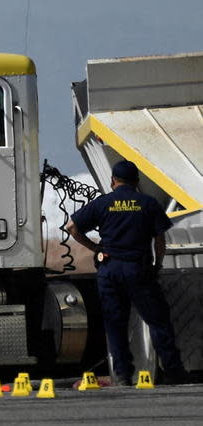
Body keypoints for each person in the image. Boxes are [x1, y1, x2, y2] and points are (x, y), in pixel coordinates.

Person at [66, 160, 188, 386]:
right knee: (158, 321)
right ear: (137, 182)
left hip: (110, 270)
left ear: (113, 181)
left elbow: (71, 227)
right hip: (138, 269)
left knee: (115, 324)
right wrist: (157, 265)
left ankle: (123, 375)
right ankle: (174, 371)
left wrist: (95, 248)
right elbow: (160, 239)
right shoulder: (147, 203)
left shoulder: (103, 203)